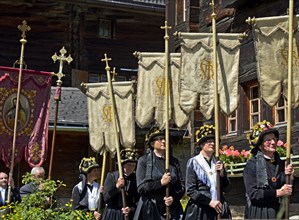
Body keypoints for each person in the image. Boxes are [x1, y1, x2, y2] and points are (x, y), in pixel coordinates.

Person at [243, 120, 294, 219]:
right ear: (260, 144)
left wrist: (290, 177)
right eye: (268, 140)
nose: (273, 142)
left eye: (274, 139)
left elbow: (289, 190)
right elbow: (253, 194)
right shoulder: (252, 164)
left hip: (278, 212)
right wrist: (278, 192)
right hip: (260, 213)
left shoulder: (281, 163)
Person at [133, 127, 185, 220]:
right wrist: (160, 183)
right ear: (152, 143)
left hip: (171, 208)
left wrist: (173, 197)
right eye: (160, 139)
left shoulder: (173, 162)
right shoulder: (143, 161)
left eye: (164, 138)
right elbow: (141, 188)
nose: (164, 141)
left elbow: (181, 186)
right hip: (151, 208)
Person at [183, 124, 231, 220]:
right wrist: (209, 201)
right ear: (201, 144)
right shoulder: (193, 162)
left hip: (219, 206)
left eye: (214, 142)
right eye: (209, 141)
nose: (212, 144)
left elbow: (227, 188)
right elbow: (190, 190)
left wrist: (222, 174)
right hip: (200, 209)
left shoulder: (218, 162)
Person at [102, 148, 140, 220]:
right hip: (113, 213)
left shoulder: (135, 179)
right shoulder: (112, 176)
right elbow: (105, 198)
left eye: (133, 165)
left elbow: (138, 199)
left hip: (128, 214)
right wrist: (117, 187)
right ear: (122, 165)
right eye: (129, 165)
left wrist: (131, 208)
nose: (131, 168)